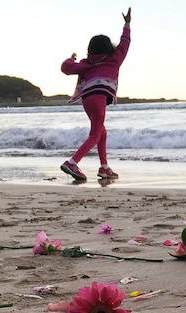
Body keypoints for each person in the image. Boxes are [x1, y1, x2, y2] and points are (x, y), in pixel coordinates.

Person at [59, 7, 132, 182]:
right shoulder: (114, 59)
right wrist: (127, 24)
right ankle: (72, 162)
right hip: (99, 98)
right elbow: (125, 43)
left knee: (101, 132)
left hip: (87, 100)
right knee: (95, 134)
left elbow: (66, 68)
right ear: (109, 48)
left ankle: (104, 167)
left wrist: (72, 58)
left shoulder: (86, 63)